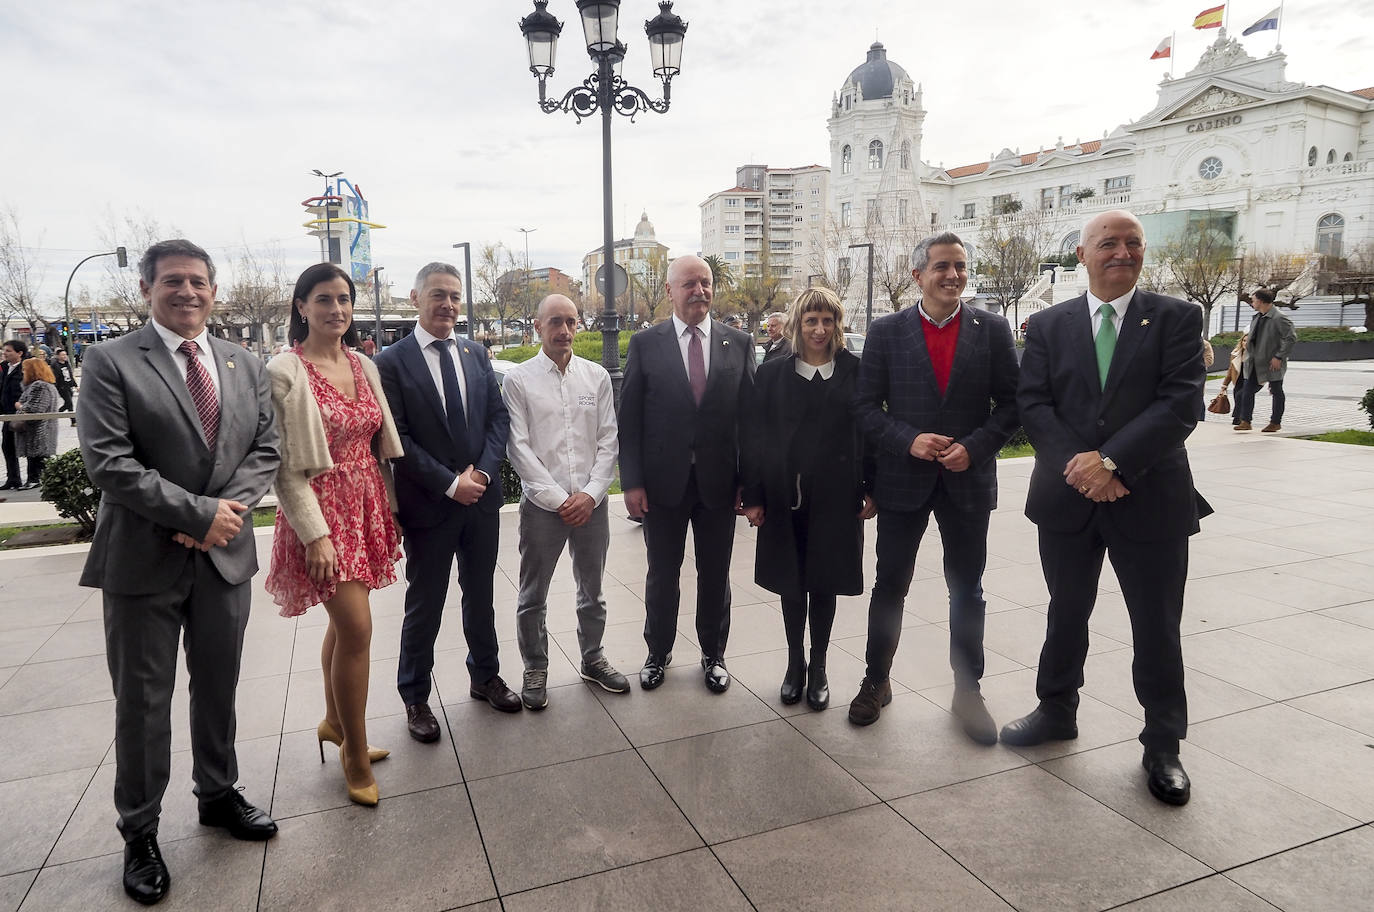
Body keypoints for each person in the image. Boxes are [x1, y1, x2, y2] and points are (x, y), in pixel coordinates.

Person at [77, 239, 281, 905]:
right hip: (144, 560)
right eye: (172, 281)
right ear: (146, 290)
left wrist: (227, 513)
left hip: (224, 560)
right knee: (143, 704)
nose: (187, 292)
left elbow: (265, 448)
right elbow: (109, 463)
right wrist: (199, 514)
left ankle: (217, 795)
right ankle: (139, 832)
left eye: (198, 281)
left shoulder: (243, 362)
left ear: (214, 292)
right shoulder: (109, 362)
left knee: (218, 687)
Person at [1002, 210, 1210, 807]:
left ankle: (1163, 744)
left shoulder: (1177, 318)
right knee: (1065, 613)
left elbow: (1180, 405)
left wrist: (1113, 463)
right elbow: (1034, 403)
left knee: (1156, 625)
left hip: (1151, 498)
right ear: (1082, 256)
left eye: (1133, 243)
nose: (1122, 252)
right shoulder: (1046, 324)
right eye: (1108, 243)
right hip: (1068, 498)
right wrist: (1084, 467)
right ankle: (1055, 710)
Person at [846, 232, 1019, 742]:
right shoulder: (886, 332)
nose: (954, 275)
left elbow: (1012, 405)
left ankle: (968, 691)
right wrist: (908, 440)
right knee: (890, 586)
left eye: (961, 266)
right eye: (942, 266)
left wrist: (978, 445)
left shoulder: (992, 329)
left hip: (967, 482)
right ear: (918, 275)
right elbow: (863, 407)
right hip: (903, 482)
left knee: (967, 589)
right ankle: (877, 680)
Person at [265, 263, 403, 807]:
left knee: (347, 628)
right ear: (302, 306)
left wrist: (388, 509)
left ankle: (332, 721)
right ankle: (354, 751)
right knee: (358, 630)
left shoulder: (363, 362)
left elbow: (376, 446)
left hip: (364, 506)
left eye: (344, 298)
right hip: (320, 515)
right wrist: (315, 535)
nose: (337, 309)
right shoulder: (284, 370)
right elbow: (283, 467)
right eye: (324, 299)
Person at [376, 262, 517, 743]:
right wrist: (448, 483)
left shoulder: (476, 354)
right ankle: (415, 695)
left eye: (455, 296)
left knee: (481, 596)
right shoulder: (391, 362)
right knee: (426, 602)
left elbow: (498, 418)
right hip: (431, 505)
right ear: (415, 297)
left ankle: (486, 676)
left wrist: (480, 471)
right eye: (438, 294)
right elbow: (398, 438)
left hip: (480, 499)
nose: (449, 305)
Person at [620, 253, 756, 693]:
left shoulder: (737, 342)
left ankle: (714, 654)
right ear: (669, 291)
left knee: (715, 574)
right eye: (689, 284)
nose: (699, 290)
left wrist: (748, 483)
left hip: (720, 484)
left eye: (705, 282)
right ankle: (657, 653)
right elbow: (631, 421)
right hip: (662, 486)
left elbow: (749, 423)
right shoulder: (646, 344)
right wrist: (633, 483)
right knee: (663, 573)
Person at [742, 287, 876, 710]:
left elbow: (871, 432)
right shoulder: (774, 374)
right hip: (785, 497)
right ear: (799, 324)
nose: (820, 329)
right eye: (811, 320)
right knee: (790, 581)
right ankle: (794, 661)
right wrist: (755, 496)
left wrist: (872, 487)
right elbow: (755, 437)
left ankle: (819, 664)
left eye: (828, 320)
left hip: (837, 497)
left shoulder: (856, 370)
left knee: (824, 581)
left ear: (837, 324)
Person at [502, 294, 628, 710]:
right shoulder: (519, 380)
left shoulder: (596, 377)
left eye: (572, 322)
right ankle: (535, 666)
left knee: (592, 589)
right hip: (543, 506)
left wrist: (591, 494)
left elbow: (609, 439)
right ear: (537, 327)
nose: (564, 330)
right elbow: (517, 448)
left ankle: (592, 658)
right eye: (555, 321)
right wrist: (560, 500)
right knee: (532, 594)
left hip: (592, 504)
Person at [1233, 287, 1296, 433]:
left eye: (1253, 300)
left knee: (1276, 390)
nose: (1252, 303)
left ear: (1260, 301)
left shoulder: (1280, 318)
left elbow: (1291, 338)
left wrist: (1279, 356)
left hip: (1272, 361)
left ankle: (1275, 422)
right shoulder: (1257, 317)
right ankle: (1245, 420)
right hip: (1254, 361)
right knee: (1247, 391)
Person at [13, 358, 60, 489]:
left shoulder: (39, 386)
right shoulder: (46, 385)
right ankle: (35, 479)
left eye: (24, 369)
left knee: (37, 457)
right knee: (37, 458)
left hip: (39, 430)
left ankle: (35, 480)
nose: (22, 372)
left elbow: (35, 409)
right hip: (42, 429)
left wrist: (19, 406)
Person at [1, 339, 27, 489]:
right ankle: (13, 478)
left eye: (9, 351)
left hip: (19, 412)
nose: (5, 353)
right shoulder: (4, 367)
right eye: (5, 351)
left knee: (26, 447)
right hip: (7, 414)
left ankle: (34, 477)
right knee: (7, 446)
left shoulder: (25, 368)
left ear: (19, 353)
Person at [53, 347, 78, 425]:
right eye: (62, 355)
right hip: (62, 387)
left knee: (68, 404)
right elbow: (55, 377)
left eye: (65, 354)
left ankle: (55, 415)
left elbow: (70, 375)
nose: (64, 356)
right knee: (69, 403)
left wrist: (75, 385)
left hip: (68, 385)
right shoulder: (55, 365)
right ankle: (73, 421)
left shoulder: (67, 364)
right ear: (58, 356)